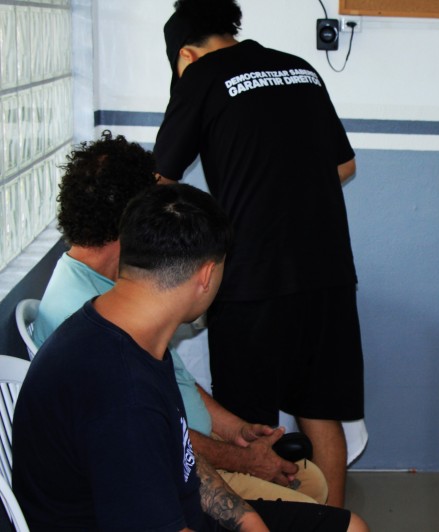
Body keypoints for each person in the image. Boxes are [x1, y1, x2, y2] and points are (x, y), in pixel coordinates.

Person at [13, 184, 367, 531]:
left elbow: (181, 455)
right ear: (208, 275)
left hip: (175, 508)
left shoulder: (123, 329)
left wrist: (245, 518)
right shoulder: (123, 393)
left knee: (350, 526)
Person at [31, 132, 328, 505]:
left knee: (311, 481)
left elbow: (176, 378)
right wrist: (246, 461)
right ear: (132, 219)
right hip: (173, 467)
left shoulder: (119, 287)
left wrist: (235, 430)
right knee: (310, 498)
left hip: (193, 444)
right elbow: (150, 434)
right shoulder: (87, 315)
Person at [154, 0, 364, 506]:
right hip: (328, 268)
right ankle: (333, 524)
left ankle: (263, 523)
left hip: (252, 276)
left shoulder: (201, 77)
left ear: (185, 55)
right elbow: (344, 166)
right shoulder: (300, 69)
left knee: (249, 423)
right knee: (321, 409)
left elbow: (159, 181)